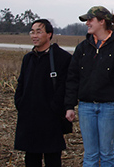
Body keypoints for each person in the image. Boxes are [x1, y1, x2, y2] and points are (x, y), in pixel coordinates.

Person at [65, 6, 114, 167]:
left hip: (110, 108)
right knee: (90, 155)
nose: (87, 24)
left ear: (102, 21)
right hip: (85, 108)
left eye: (90, 20)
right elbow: (72, 78)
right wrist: (69, 105)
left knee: (106, 154)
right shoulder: (83, 48)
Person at [14, 19, 72, 167]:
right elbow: (21, 83)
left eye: (39, 32)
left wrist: (55, 107)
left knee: (52, 158)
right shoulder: (28, 58)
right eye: (32, 32)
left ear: (49, 34)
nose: (34, 36)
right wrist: (19, 102)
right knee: (31, 158)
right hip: (30, 117)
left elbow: (65, 86)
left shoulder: (62, 58)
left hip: (50, 119)